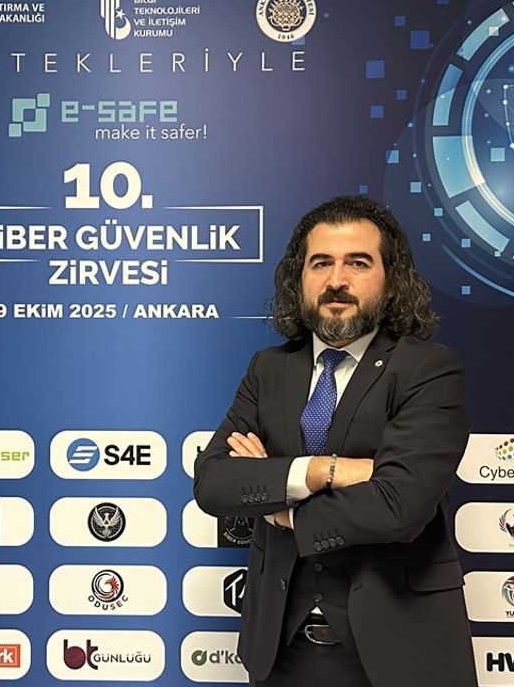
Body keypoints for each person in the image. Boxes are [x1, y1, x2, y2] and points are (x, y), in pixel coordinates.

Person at [193, 195, 476, 687]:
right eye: (321, 263)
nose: (336, 280)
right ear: (299, 278)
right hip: (279, 651)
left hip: (400, 651)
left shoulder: (428, 370)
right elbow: (215, 482)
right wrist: (322, 470)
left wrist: (283, 510)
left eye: (358, 263)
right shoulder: (269, 369)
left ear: (392, 281)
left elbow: (400, 506)